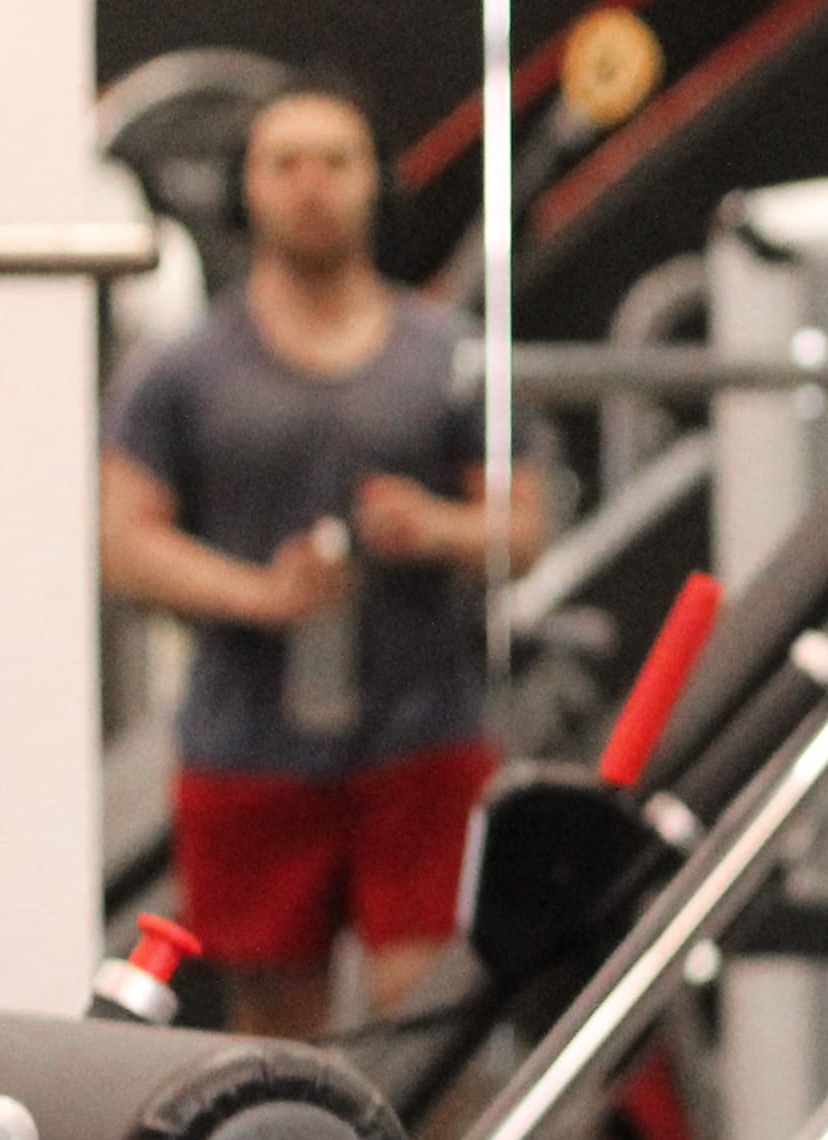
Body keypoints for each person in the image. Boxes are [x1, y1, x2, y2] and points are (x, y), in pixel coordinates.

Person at [101, 76, 535, 1041]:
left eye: (334, 162)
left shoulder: (446, 356)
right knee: (271, 1037)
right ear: (245, 189)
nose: (310, 186)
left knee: (425, 1027)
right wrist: (260, 595)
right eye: (284, 163)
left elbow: (525, 525)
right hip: (248, 748)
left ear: (373, 182)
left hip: (421, 742)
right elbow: (124, 543)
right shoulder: (183, 373)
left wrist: (440, 528)